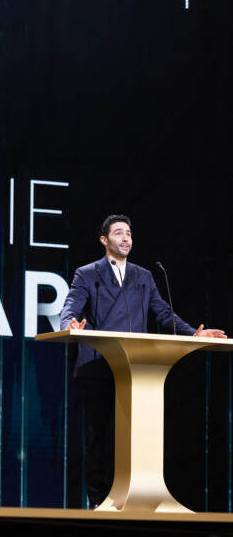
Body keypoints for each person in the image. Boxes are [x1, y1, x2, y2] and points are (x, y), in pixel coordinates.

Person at [60, 214, 226, 508]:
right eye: (119, 233)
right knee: (98, 439)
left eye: (129, 233)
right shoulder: (87, 274)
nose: (125, 238)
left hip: (134, 367)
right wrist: (69, 324)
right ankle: (99, 503)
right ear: (104, 240)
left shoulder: (144, 276)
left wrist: (193, 333)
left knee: (131, 439)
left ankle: (135, 501)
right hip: (97, 365)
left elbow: (163, 313)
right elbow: (71, 305)